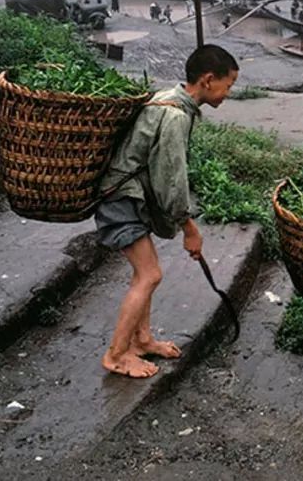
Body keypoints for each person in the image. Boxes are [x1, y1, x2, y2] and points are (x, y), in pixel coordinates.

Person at [94, 45, 239, 378]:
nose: (228, 94)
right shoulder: (174, 115)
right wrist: (189, 229)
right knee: (150, 275)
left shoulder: (170, 99)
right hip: (121, 200)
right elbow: (169, 180)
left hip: (128, 197)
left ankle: (142, 340)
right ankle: (116, 354)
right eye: (228, 86)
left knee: (146, 272)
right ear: (207, 80)